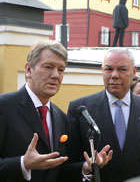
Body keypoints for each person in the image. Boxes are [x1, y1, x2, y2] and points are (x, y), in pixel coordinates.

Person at [0, 39, 112, 182]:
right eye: (48, 67)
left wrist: (85, 167)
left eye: (61, 70)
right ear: (28, 70)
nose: (55, 75)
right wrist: (22, 164)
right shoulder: (4, 107)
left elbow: (57, 170)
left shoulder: (60, 117)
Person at [67, 48, 140, 182]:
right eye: (108, 69)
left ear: (134, 72)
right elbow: (67, 165)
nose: (114, 75)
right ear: (102, 70)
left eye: (122, 69)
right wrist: (86, 167)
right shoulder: (80, 109)